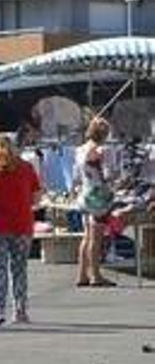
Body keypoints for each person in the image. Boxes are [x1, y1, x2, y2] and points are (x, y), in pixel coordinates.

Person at [0, 133, 42, 327]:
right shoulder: (27, 169)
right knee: (20, 268)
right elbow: (37, 198)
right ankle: (20, 311)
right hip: (21, 224)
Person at [74, 118, 117, 289]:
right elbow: (106, 174)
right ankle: (96, 275)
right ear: (104, 134)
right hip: (97, 197)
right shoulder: (99, 150)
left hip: (85, 194)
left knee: (86, 236)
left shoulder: (80, 149)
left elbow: (77, 174)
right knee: (96, 238)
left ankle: (82, 274)